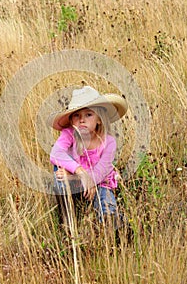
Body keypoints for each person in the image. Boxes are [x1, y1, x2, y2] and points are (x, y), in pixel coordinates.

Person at [47, 85, 128, 229]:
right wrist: (79, 172)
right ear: (72, 121)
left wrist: (77, 177)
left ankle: (113, 229)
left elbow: (101, 171)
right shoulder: (69, 134)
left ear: (99, 119)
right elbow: (56, 153)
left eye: (88, 115)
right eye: (77, 115)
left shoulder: (108, 142)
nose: (82, 120)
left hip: (99, 182)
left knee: (107, 205)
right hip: (76, 180)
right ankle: (67, 222)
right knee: (59, 172)